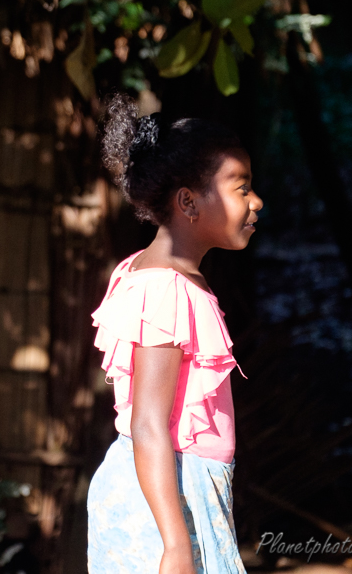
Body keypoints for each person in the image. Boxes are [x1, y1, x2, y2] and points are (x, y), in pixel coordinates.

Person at [87, 94, 263, 574]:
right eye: (241, 188)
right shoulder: (166, 290)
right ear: (187, 200)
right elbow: (148, 423)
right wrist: (176, 544)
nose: (256, 201)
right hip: (165, 504)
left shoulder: (148, 273)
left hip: (169, 490)